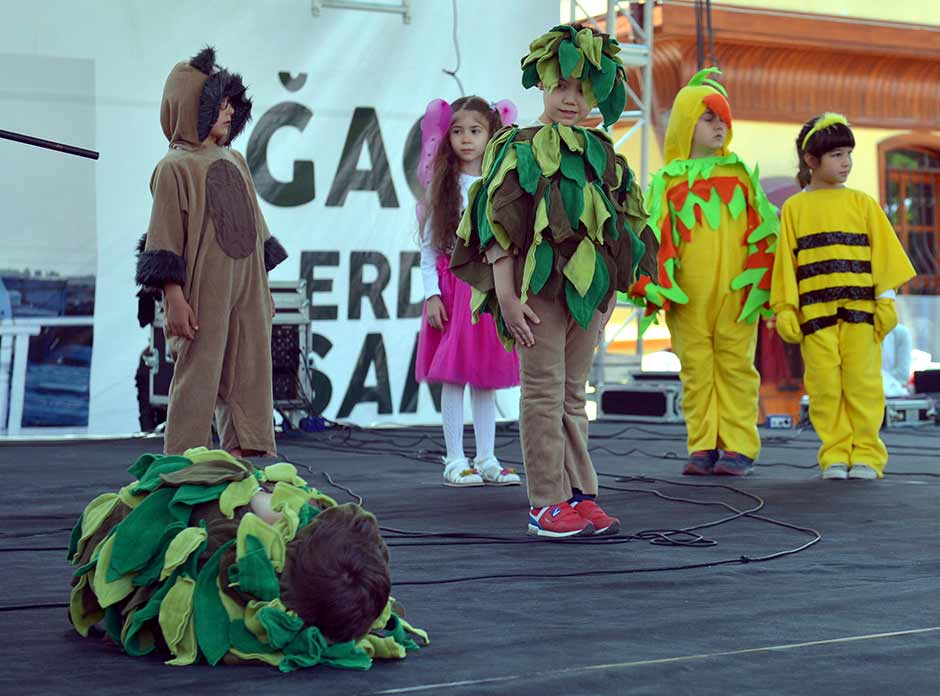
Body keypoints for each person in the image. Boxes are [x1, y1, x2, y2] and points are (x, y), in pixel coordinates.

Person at [451, 24, 658, 538]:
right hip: (534, 292)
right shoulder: (515, 145)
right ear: (542, 83)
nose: (571, 98)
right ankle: (545, 502)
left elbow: (617, 229)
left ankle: (580, 494)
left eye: (583, 88)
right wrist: (505, 296)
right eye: (561, 86)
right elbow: (495, 226)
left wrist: (609, 293)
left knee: (572, 395)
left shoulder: (602, 152)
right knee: (542, 392)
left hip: (587, 296)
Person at [67, 449, 427, 670]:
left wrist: (261, 496)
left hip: (157, 527)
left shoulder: (226, 541)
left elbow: (255, 499)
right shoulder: (327, 598)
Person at [135, 47, 288, 458]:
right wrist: (174, 296)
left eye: (230, 105)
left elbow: (254, 230)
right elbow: (164, 237)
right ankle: (187, 463)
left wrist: (264, 289)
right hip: (205, 289)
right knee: (200, 373)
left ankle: (251, 456)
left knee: (251, 372)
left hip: (248, 287)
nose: (228, 113)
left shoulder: (235, 159)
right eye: (217, 105)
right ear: (192, 109)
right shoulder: (175, 167)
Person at [630, 68, 779, 477]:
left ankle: (738, 446)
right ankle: (702, 445)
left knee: (735, 365)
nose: (719, 125)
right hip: (687, 295)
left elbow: (764, 231)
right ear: (684, 123)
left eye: (723, 118)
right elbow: (652, 236)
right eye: (708, 117)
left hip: (737, 292)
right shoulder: (667, 182)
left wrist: (763, 285)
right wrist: (652, 285)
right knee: (695, 368)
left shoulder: (739, 175)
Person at [770, 113, 916, 480]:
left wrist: (886, 300)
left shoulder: (863, 204)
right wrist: (787, 307)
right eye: (836, 154)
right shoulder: (794, 209)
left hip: (860, 312)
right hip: (816, 315)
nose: (846, 162)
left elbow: (883, 253)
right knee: (823, 387)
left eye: (848, 153)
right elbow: (786, 261)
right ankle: (834, 453)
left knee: (864, 385)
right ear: (811, 160)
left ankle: (866, 454)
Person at [415, 96, 522, 487]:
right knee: (456, 376)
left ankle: (487, 457)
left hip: (488, 288)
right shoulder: (443, 187)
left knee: (485, 376)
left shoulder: (498, 183)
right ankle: (455, 458)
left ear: (491, 134)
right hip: (452, 289)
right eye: (457, 131)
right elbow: (428, 250)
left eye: (475, 131)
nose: (466, 139)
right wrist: (432, 295)